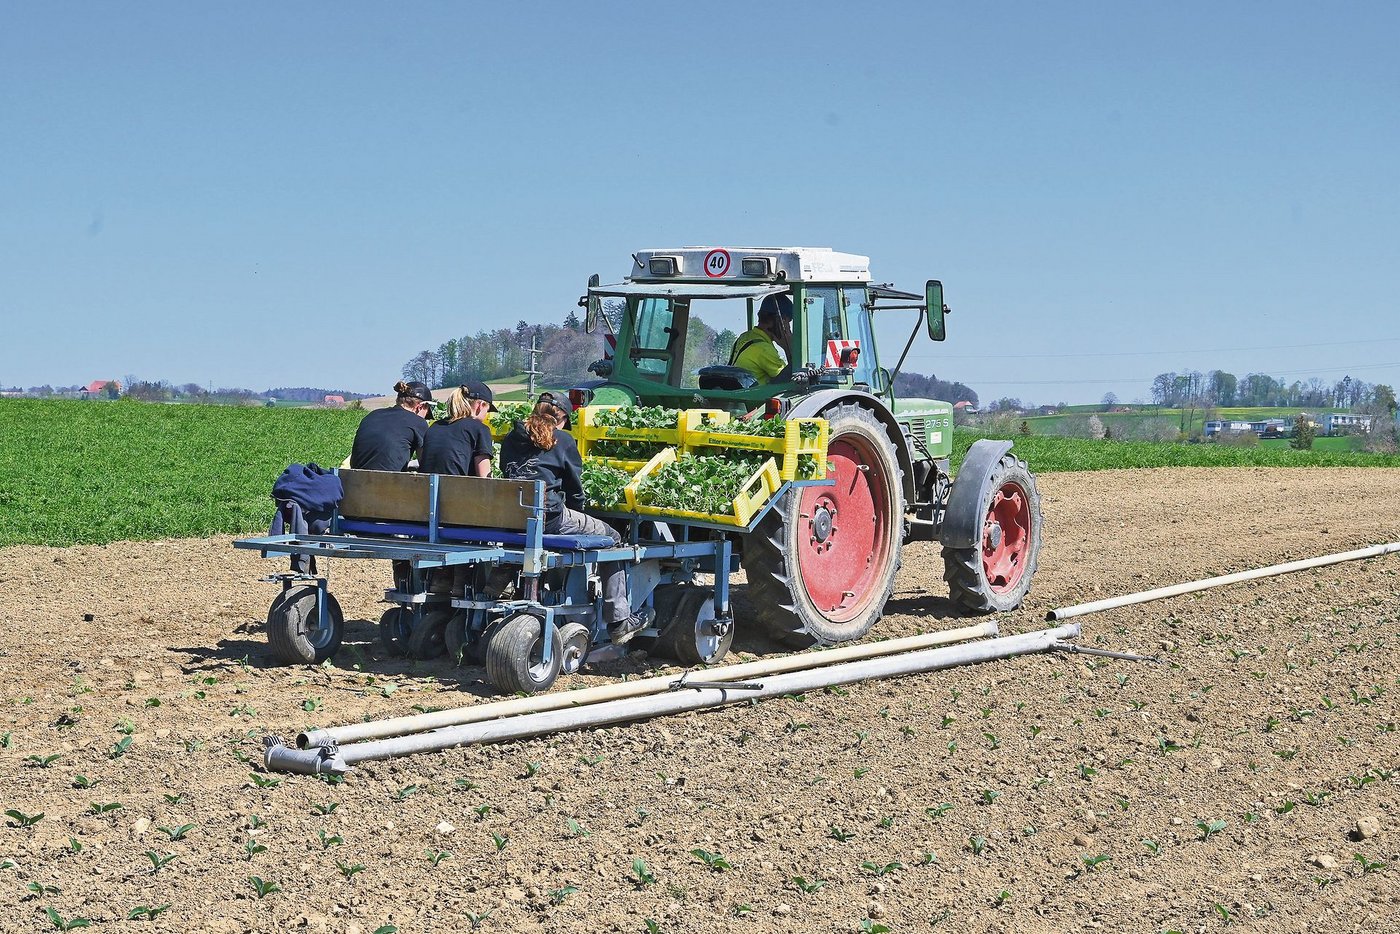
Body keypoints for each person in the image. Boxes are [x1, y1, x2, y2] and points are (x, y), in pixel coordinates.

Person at [499, 392, 654, 644]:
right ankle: (619, 619)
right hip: (549, 518)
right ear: (561, 420)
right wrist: (580, 514)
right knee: (612, 537)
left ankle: (496, 587)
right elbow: (574, 490)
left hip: (513, 517)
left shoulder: (512, 437)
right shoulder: (563, 440)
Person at [349, 380, 432, 471]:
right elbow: (426, 465)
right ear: (420, 407)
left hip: (355, 481)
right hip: (389, 483)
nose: (425, 417)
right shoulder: (418, 422)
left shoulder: (372, 415)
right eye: (427, 412)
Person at [420, 380, 496, 477]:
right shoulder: (479, 429)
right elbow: (485, 478)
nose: (486, 414)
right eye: (487, 410)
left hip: (426, 489)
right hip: (458, 490)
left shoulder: (434, 427)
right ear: (480, 406)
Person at [730, 293, 794, 383]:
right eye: (788, 323)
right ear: (781, 321)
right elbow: (789, 381)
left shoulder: (744, 337)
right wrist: (788, 348)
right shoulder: (764, 349)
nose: (789, 328)